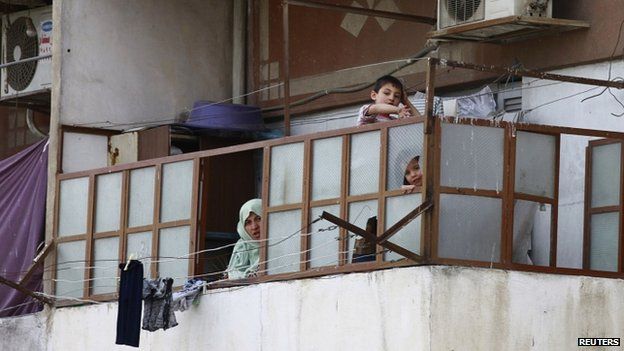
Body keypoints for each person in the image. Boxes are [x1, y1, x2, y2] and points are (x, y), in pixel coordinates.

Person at [356, 75, 421, 126]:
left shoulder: (394, 120)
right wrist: (398, 110)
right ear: (374, 95)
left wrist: (406, 101)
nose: (392, 98)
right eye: (386, 93)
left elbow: (421, 122)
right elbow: (377, 108)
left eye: (396, 96)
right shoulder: (366, 111)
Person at [226, 199, 262, 280]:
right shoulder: (242, 245)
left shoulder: (278, 242)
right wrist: (248, 276)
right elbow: (233, 274)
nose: (254, 227)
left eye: (258, 218)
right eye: (248, 222)